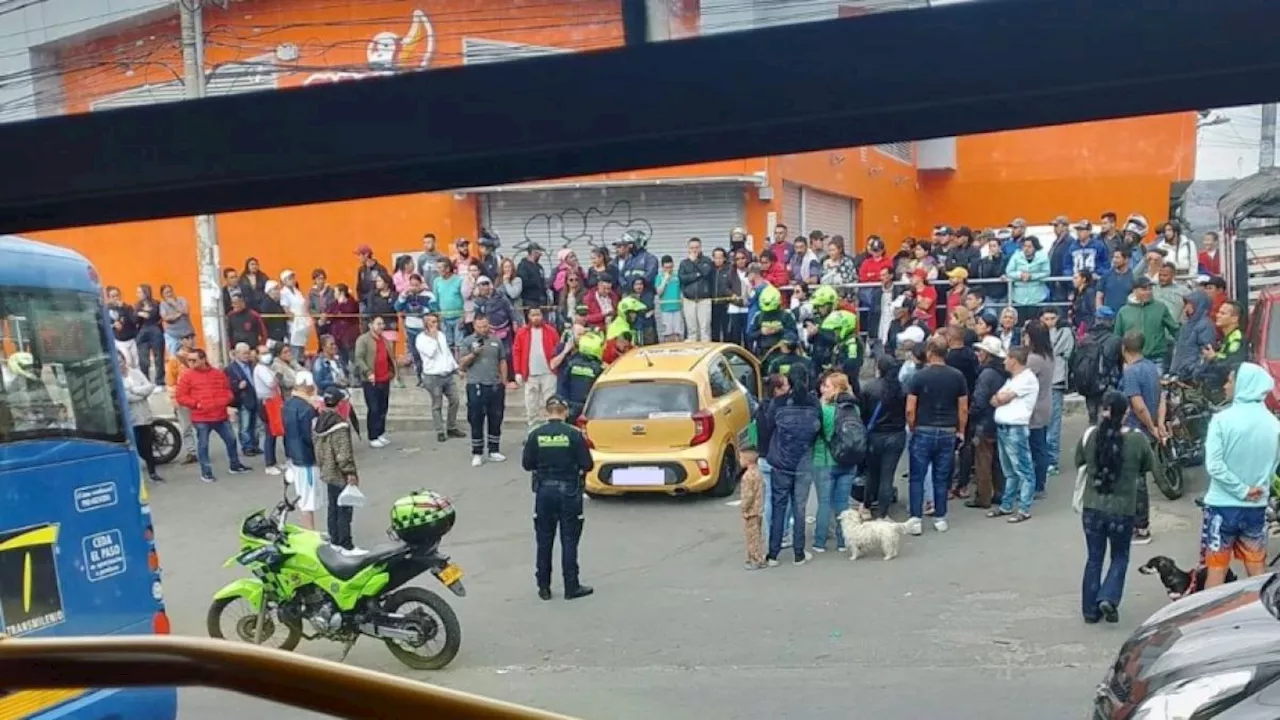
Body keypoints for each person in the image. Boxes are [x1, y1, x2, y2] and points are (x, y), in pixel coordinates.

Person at [1077, 390, 1153, 624]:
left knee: (1094, 558)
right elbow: (1148, 465)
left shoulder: (1090, 436)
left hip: (1092, 508)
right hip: (1122, 510)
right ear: (1126, 412)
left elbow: (1079, 461)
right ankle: (1108, 596)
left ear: (1102, 410)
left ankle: (1090, 610)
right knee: (1120, 556)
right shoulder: (1137, 439)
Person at [1202, 363, 1280, 588]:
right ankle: (1260, 617)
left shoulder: (1221, 421)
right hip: (1256, 507)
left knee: (1216, 572)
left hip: (1221, 508)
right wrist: (1254, 489)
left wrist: (1241, 490)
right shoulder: (1273, 425)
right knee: (1257, 572)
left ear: (1243, 385)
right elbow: (1274, 465)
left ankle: (1211, 621)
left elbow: (1214, 465)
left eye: (1231, 380)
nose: (1227, 385)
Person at [522, 396, 595, 601]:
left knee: (544, 541)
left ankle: (543, 587)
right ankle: (571, 586)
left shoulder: (536, 434)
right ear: (565, 412)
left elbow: (527, 464)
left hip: (544, 491)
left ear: (547, 412)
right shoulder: (574, 434)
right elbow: (587, 464)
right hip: (569, 490)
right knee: (569, 540)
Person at [904, 337, 969, 535]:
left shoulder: (919, 376)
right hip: (948, 430)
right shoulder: (957, 376)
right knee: (941, 476)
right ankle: (940, 517)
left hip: (923, 428)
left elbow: (910, 408)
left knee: (917, 476)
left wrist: (912, 426)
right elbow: (963, 408)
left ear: (930, 352)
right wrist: (961, 430)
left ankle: (916, 518)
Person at [764, 365, 821, 565]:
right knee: (800, 509)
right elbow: (819, 429)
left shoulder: (778, 403)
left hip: (781, 462)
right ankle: (799, 553)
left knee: (779, 508)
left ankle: (773, 554)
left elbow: (769, 425)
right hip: (804, 463)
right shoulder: (814, 402)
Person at [175, 349, 251, 483]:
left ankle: (235, 464)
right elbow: (180, 396)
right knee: (203, 445)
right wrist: (196, 404)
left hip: (220, 415)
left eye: (194, 360)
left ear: (203, 359)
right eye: (189, 360)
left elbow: (227, 389)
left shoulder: (217, 374)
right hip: (201, 417)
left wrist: (226, 399)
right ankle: (206, 472)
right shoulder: (187, 376)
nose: (191, 363)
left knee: (231, 440)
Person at [1120, 330, 1163, 545]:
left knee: (1136, 481)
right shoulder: (1151, 367)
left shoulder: (1131, 372)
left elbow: (1137, 405)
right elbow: (1161, 396)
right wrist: (1158, 424)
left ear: (1123, 348)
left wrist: (1150, 425)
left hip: (1136, 431)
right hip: (1149, 429)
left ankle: (1140, 527)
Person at [989, 346, 1039, 522]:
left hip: (1015, 428)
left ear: (1014, 360)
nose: (1004, 361)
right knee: (1009, 471)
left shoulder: (1026, 379)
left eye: (1006, 358)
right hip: (1004, 428)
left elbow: (1000, 399)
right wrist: (999, 397)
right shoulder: (1013, 379)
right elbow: (995, 399)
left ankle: (1024, 508)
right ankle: (1006, 505)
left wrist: (1000, 398)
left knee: (1023, 470)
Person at [859, 354, 907, 520]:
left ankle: (866, 505)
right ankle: (883, 512)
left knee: (872, 473)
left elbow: (863, 414)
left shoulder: (869, 388)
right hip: (896, 434)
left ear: (879, 368)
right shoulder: (902, 389)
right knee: (888, 474)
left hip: (875, 435)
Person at [813, 372, 856, 554]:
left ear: (837, 388)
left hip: (824, 460)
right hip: (848, 460)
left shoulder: (824, 410)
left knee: (824, 502)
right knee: (842, 503)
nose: (823, 389)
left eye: (827, 386)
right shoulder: (854, 409)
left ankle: (820, 542)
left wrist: (821, 403)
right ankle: (842, 541)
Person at [461, 314, 511, 467]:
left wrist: (504, 380)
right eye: (480, 326)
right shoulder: (468, 341)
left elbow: (502, 360)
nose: (483, 329)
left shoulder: (496, 341)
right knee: (476, 418)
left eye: (485, 326)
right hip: (475, 384)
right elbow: (461, 364)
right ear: (474, 326)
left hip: (495, 385)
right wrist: (473, 354)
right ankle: (477, 452)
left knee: (496, 417)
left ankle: (494, 450)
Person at [416, 312, 465, 443]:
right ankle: (440, 430)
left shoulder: (441, 335)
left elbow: (447, 354)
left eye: (435, 321)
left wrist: (456, 369)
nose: (434, 324)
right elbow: (430, 353)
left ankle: (451, 427)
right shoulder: (421, 339)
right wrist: (433, 337)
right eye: (430, 322)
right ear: (425, 324)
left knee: (455, 400)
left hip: (447, 375)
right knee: (437, 404)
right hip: (433, 377)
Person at [282, 371, 321, 530]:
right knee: (308, 500)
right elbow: (310, 435)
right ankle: (309, 533)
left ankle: (309, 532)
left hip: (294, 455)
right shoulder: (307, 409)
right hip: (306, 458)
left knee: (303, 497)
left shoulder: (288, 404)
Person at [513, 307, 560, 430]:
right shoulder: (522, 332)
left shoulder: (551, 331)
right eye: (533, 315)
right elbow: (517, 352)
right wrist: (518, 371)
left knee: (550, 402)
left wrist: (556, 367)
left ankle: (550, 428)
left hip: (549, 373)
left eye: (538, 314)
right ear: (528, 317)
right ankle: (532, 430)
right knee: (531, 404)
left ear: (542, 316)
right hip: (530, 374)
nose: (536, 317)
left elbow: (558, 349)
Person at [121, 350, 164, 483]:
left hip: (144, 415)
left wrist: (134, 390)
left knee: (147, 445)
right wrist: (140, 393)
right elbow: (124, 397)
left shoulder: (136, 373)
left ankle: (152, 473)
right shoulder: (116, 377)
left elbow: (149, 387)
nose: (120, 363)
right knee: (138, 447)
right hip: (130, 417)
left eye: (121, 360)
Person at [353, 315, 396, 448]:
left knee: (383, 407)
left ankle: (380, 432)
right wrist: (367, 372)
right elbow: (359, 358)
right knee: (374, 408)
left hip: (384, 378)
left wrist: (392, 372)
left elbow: (390, 358)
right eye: (378, 324)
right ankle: (372, 436)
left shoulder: (384, 340)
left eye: (382, 324)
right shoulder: (363, 340)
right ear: (371, 325)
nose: (381, 326)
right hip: (371, 380)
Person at [1023, 320, 1055, 496]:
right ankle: (1039, 482)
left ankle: (1037, 484)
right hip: (1044, 403)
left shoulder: (1034, 359)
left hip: (1034, 407)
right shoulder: (1048, 355)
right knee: (1040, 444)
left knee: (1035, 447)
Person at [1042, 308, 1075, 477]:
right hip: (1040, 383)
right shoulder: (1037, 332)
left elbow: (1060, 352)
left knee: (1053, 423)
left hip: (1056, 381)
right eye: (1046, 318)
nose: (1049, 321)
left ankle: (1052, 461)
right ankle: (1043, 459)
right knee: (1041, 423)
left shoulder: (1064, 331)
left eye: (1052, 318)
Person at [557, 331, 605, 423]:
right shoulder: (598, 368)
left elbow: (562, 386)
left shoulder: (571, 364)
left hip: (571, 408)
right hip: (590, 409)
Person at [224, 342, 261, 457]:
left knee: (256, 424)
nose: (247, 355)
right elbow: (227, 385)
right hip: (243, 399)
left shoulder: (252, 365)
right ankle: (247, 447)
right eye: (244, 353)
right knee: (245, 425)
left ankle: (255, 445)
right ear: (237, 354)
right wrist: (238, 386)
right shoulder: (231, 368)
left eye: (248, 353)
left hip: (254, 397)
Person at [253, 345, 283, 476]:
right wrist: (278, 376)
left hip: (273, 401)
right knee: (270, 433)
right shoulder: (260, 369)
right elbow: (271, 383)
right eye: (263, 353)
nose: (267, 355)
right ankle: (269, 464)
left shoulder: (266, 367)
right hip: (266, 403)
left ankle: (273, 462)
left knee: (274, 432)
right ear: (258, 355)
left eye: (267, 352)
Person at [738, 444, 766, 570]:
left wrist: (743, 507)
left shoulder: (748, 476)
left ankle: (756, 560)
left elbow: (748, 495)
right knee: (756, 535)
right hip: (758, 509)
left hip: (751, 511)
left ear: (747, 460)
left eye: (741, 458)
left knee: (752, 537)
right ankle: (756, 558)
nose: (739, 461)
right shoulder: (758, 473)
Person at [135, 284, 165, 387]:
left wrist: (142, 313)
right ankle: (146, 381)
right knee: (143, 359)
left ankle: (160, 381)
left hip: (155, 331)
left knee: (158, 357)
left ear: (145, 292)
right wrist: (140, 314)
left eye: (139, 292)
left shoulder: (156, 303)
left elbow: (153, 316)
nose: (137, 294)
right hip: (142, 332)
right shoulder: (137, 305)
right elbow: (135, 319)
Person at [106, 285, 140, 368]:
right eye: (113, 296)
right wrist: (114, 325)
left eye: (117, 295)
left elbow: (134, 320)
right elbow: (108, 324)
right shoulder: (107, 310)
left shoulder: (127, 307)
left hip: (131, 338)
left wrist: (124, 308)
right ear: (109, 298)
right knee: (128, 362)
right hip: (120, 340)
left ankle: (138, 379)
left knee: (136, 362)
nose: (116, 298)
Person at [655, 255, 685, 342]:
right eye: (666, 267)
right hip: (665, 309)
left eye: (670, 267)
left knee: (678, 332)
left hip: (677, 308)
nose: (669, 269)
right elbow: (659, 292)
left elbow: (681, 291)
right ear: (662, 267)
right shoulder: (659, 277)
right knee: (667, 333)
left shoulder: (677, 277)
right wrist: (665, 280)